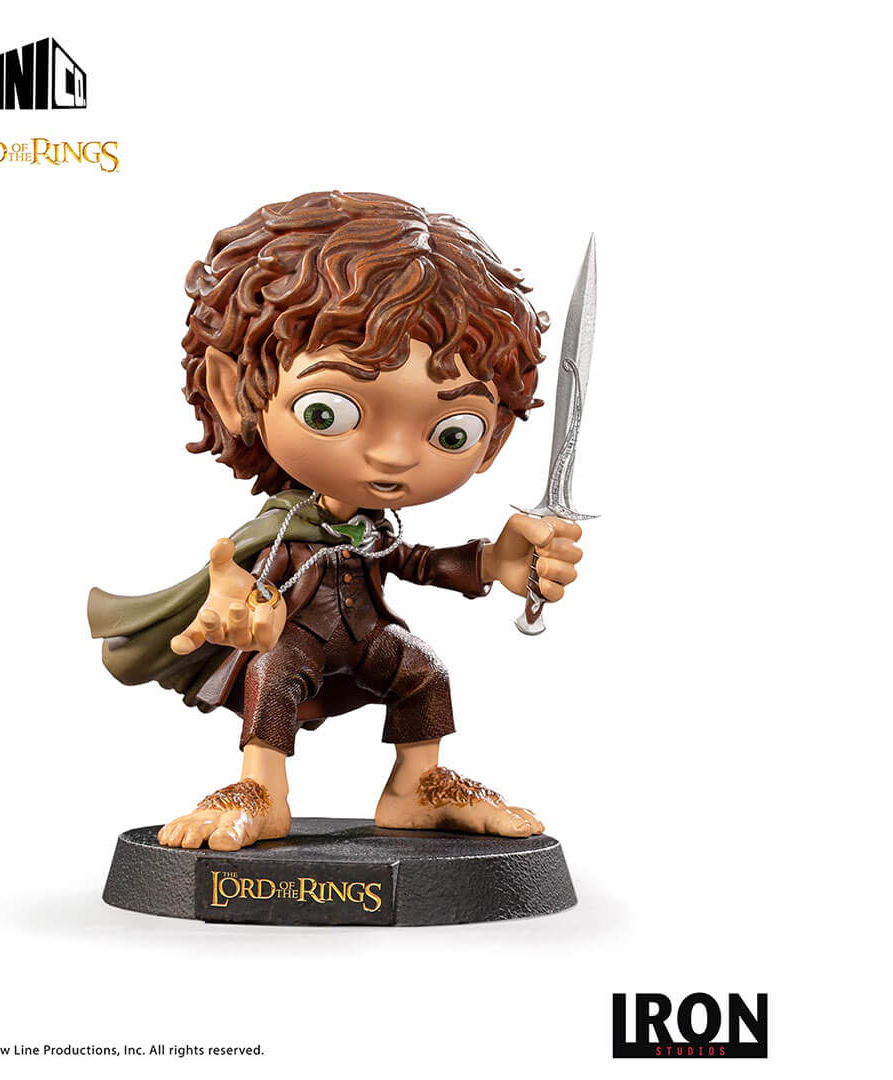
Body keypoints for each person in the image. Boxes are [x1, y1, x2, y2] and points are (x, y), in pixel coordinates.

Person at [88, 191, 583, 851]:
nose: (394, 456)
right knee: (272, 674)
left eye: (452, 430)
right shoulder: (285, 524)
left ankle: (418, 787)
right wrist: (243, 602)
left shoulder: (380, 527)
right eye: (329, 412)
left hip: (369, 638)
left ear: (492, 439)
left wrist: (492, 563)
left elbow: (409, 561)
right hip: (297, 640)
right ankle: (260, 790)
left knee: (425, 671)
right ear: (234, 394)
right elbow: (253, 575)